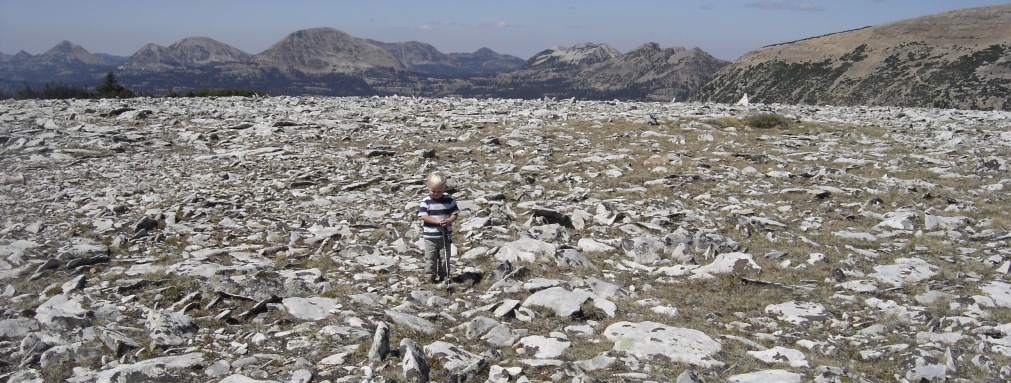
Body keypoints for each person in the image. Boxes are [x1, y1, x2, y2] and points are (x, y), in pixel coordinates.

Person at [418, 171, 459, 283]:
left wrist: (449, 220)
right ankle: (429, 276)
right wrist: (436, 222)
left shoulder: (449, 200)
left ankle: (444, 276)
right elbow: (423, 216)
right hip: (430, 236)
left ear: (445, 188)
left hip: (445, 235)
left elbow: (455, 214)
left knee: (444, 257)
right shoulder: (426, 201)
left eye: (439, 191)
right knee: (430, 258)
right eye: (433, 191)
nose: (436, 194)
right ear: (428, 188)